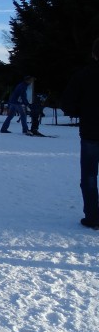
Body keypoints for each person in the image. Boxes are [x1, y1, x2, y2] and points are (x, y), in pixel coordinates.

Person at [61, 38, 99, 229]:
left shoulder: (83, 75)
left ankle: (93, 216)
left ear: (94, 53)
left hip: (91, 131)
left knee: (90, 175)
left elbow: (67, 103)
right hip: (91, 130)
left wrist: (82, 112)